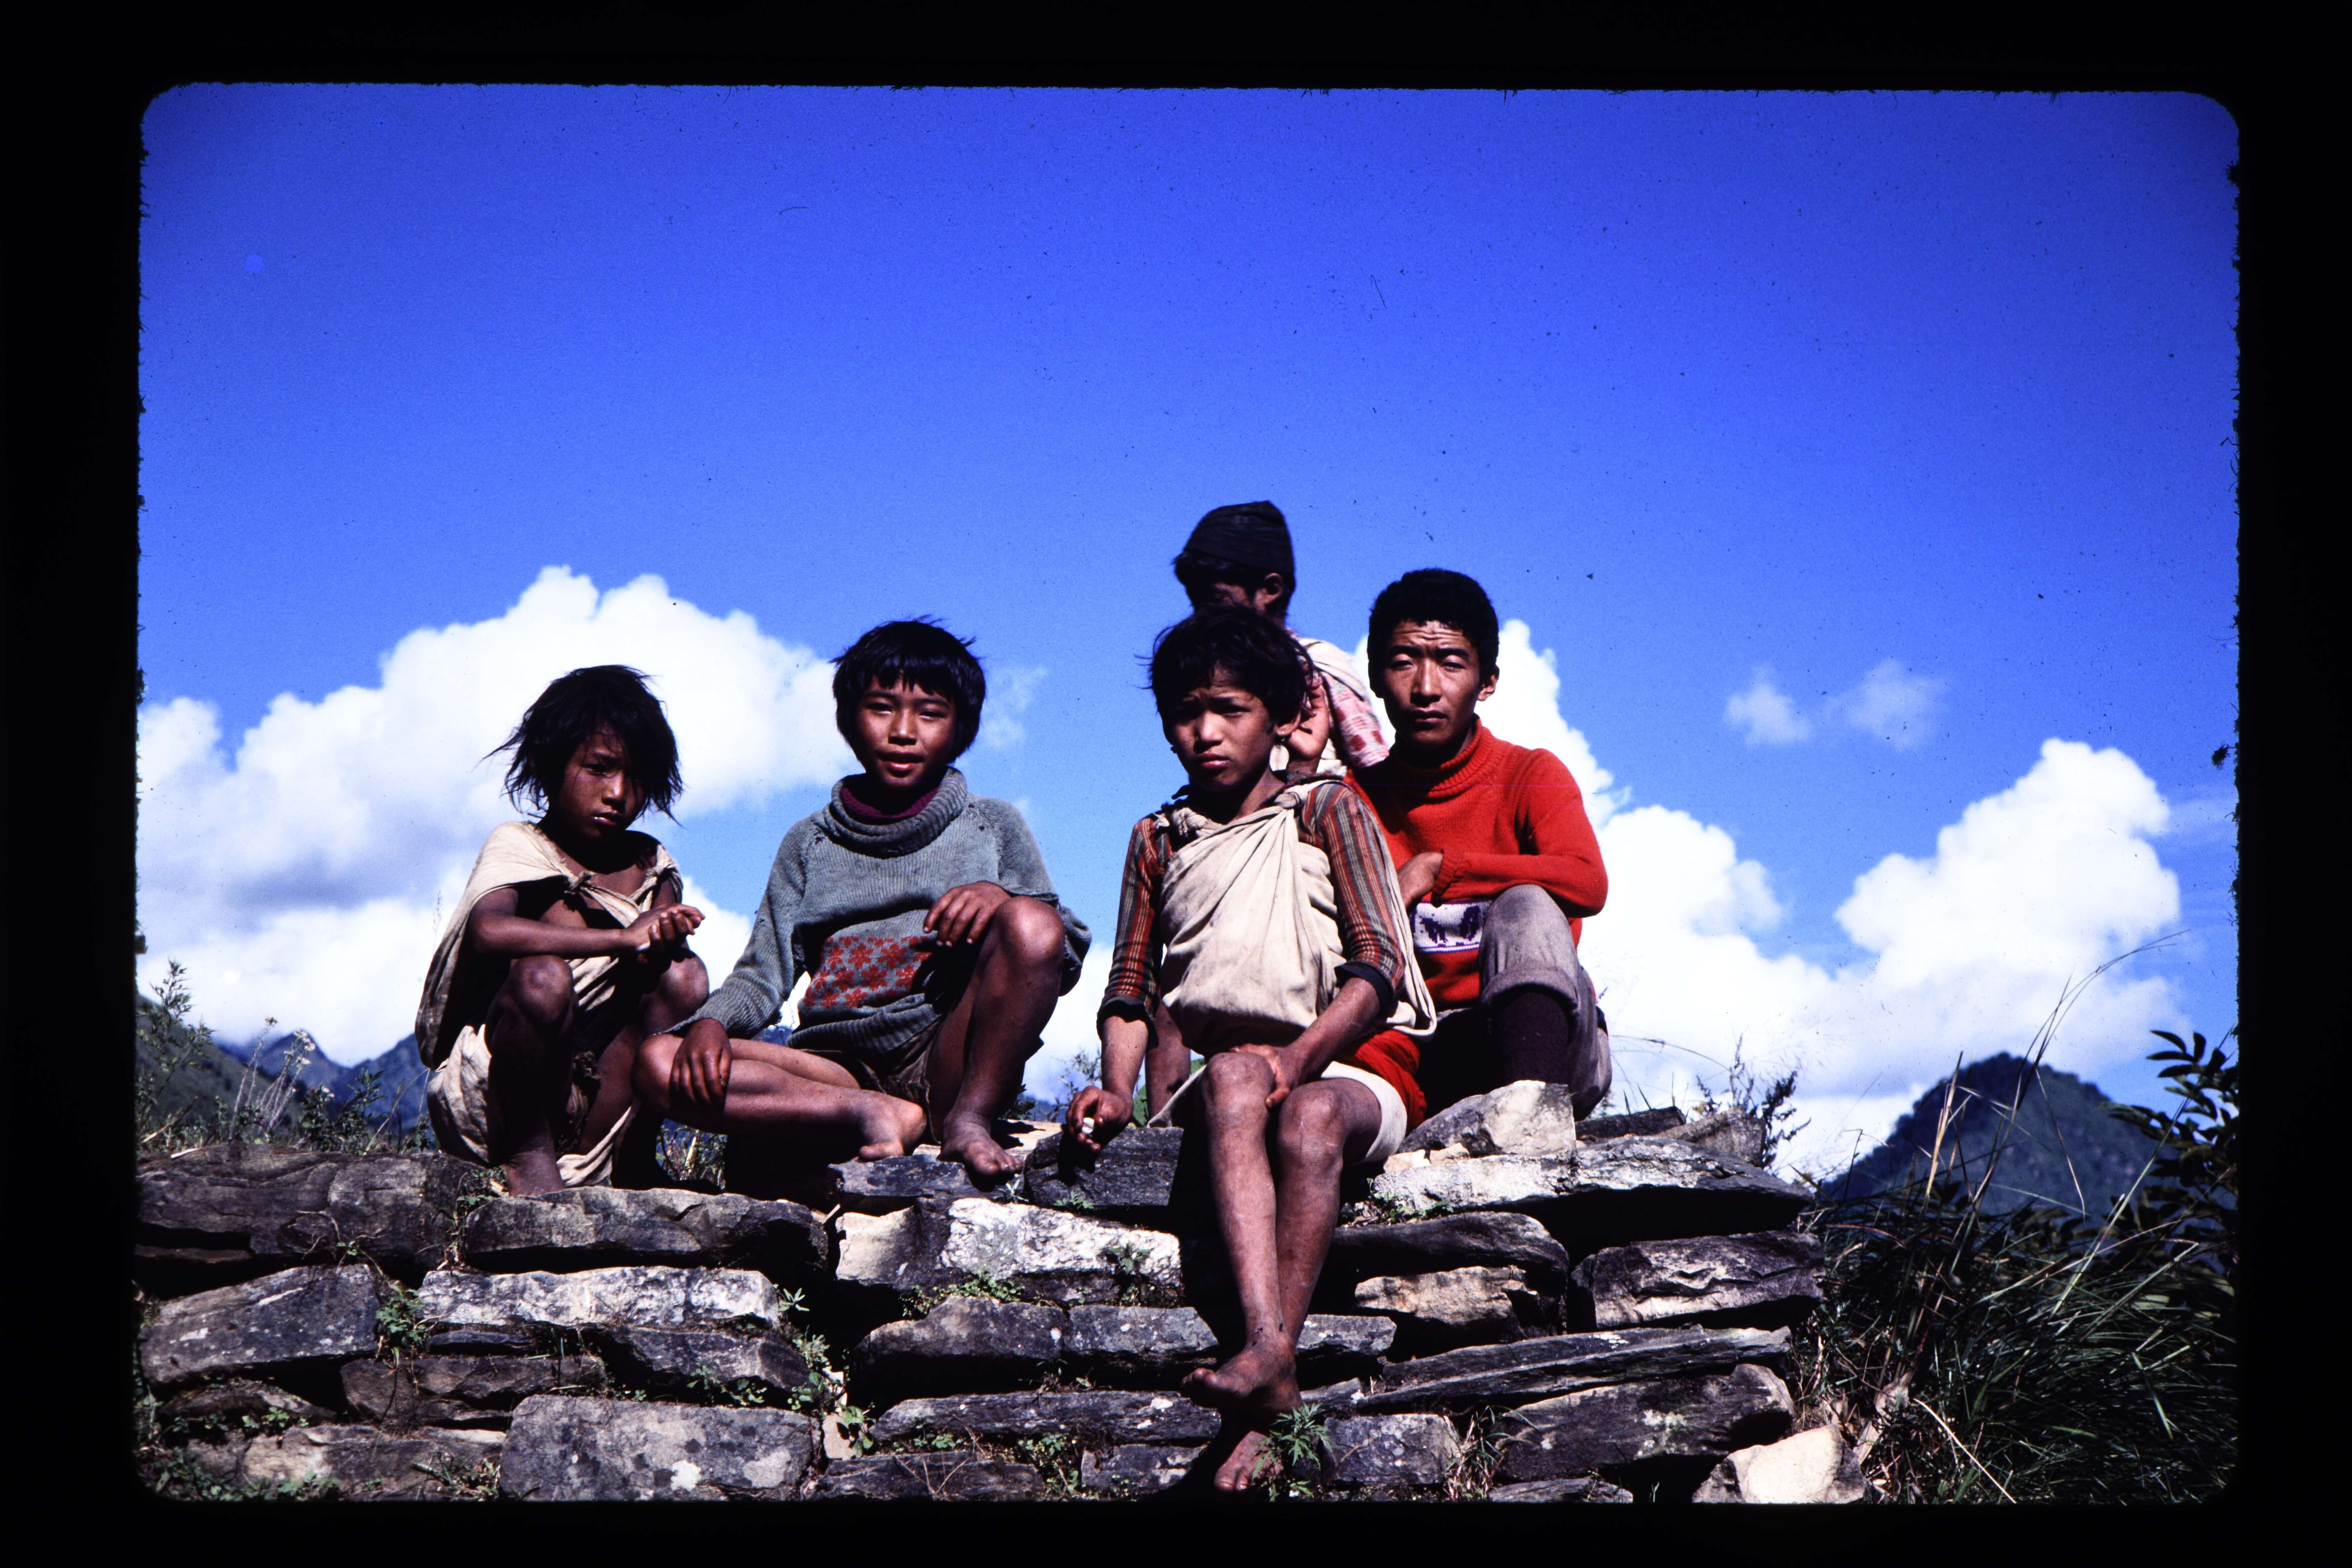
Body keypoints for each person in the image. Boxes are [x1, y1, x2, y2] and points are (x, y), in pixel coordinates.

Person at [1064, 606, 1433, 1492]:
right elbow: (1130, 988)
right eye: (1186, 714)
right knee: (1234, 1072)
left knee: (1307, 1117)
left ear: (1278, 717)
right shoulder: (1160, 838)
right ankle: (1272, 1357)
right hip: (1231, 1075)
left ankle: (1267, 1364)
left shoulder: (1325, 807)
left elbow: (1378, 965)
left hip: (1348, 1064)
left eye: (1229, 709)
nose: (1206, 732)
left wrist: (1299, 1057)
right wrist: (1116, 1088)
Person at [634, 619, 1089, 1184]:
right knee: (660, 1060)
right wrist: (711, 1023)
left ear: (962, 730)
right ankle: (869, 1113)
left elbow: (1059, 948)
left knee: (1031, 921)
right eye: (881, 709)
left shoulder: (992, 826)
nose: (903, 732)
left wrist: (1000, 899)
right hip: (831, 1069)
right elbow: (762, 975)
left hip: (945, 1057)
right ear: (848, 720)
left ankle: (968, 1121)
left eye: (930, 714)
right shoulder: (809, 842)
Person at [418, 665, 711, 1196]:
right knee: (543, 980)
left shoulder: (651, 863)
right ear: (551, 763)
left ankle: (633, 1153)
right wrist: (620, 939)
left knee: (684, 976)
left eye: (636, 777)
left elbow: (663, 977)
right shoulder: (520, 845)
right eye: (598, 769)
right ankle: (527, 1157)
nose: (618, 793)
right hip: (507, 1096)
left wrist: (664, 933)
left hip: (607, 1092)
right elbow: (489, 931)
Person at [1346, 569, 1613, 1126]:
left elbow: (1588, 881)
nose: (1426, 687)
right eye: (1403, 662)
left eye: (1451, 663)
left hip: (1544, 1042)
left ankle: (1531, 1124)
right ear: (1375, 677)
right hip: (1414, 1049)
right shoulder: (1352, 801)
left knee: (1526, 904)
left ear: (1487, 682)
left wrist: (1444, 869)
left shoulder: (1530, 774)